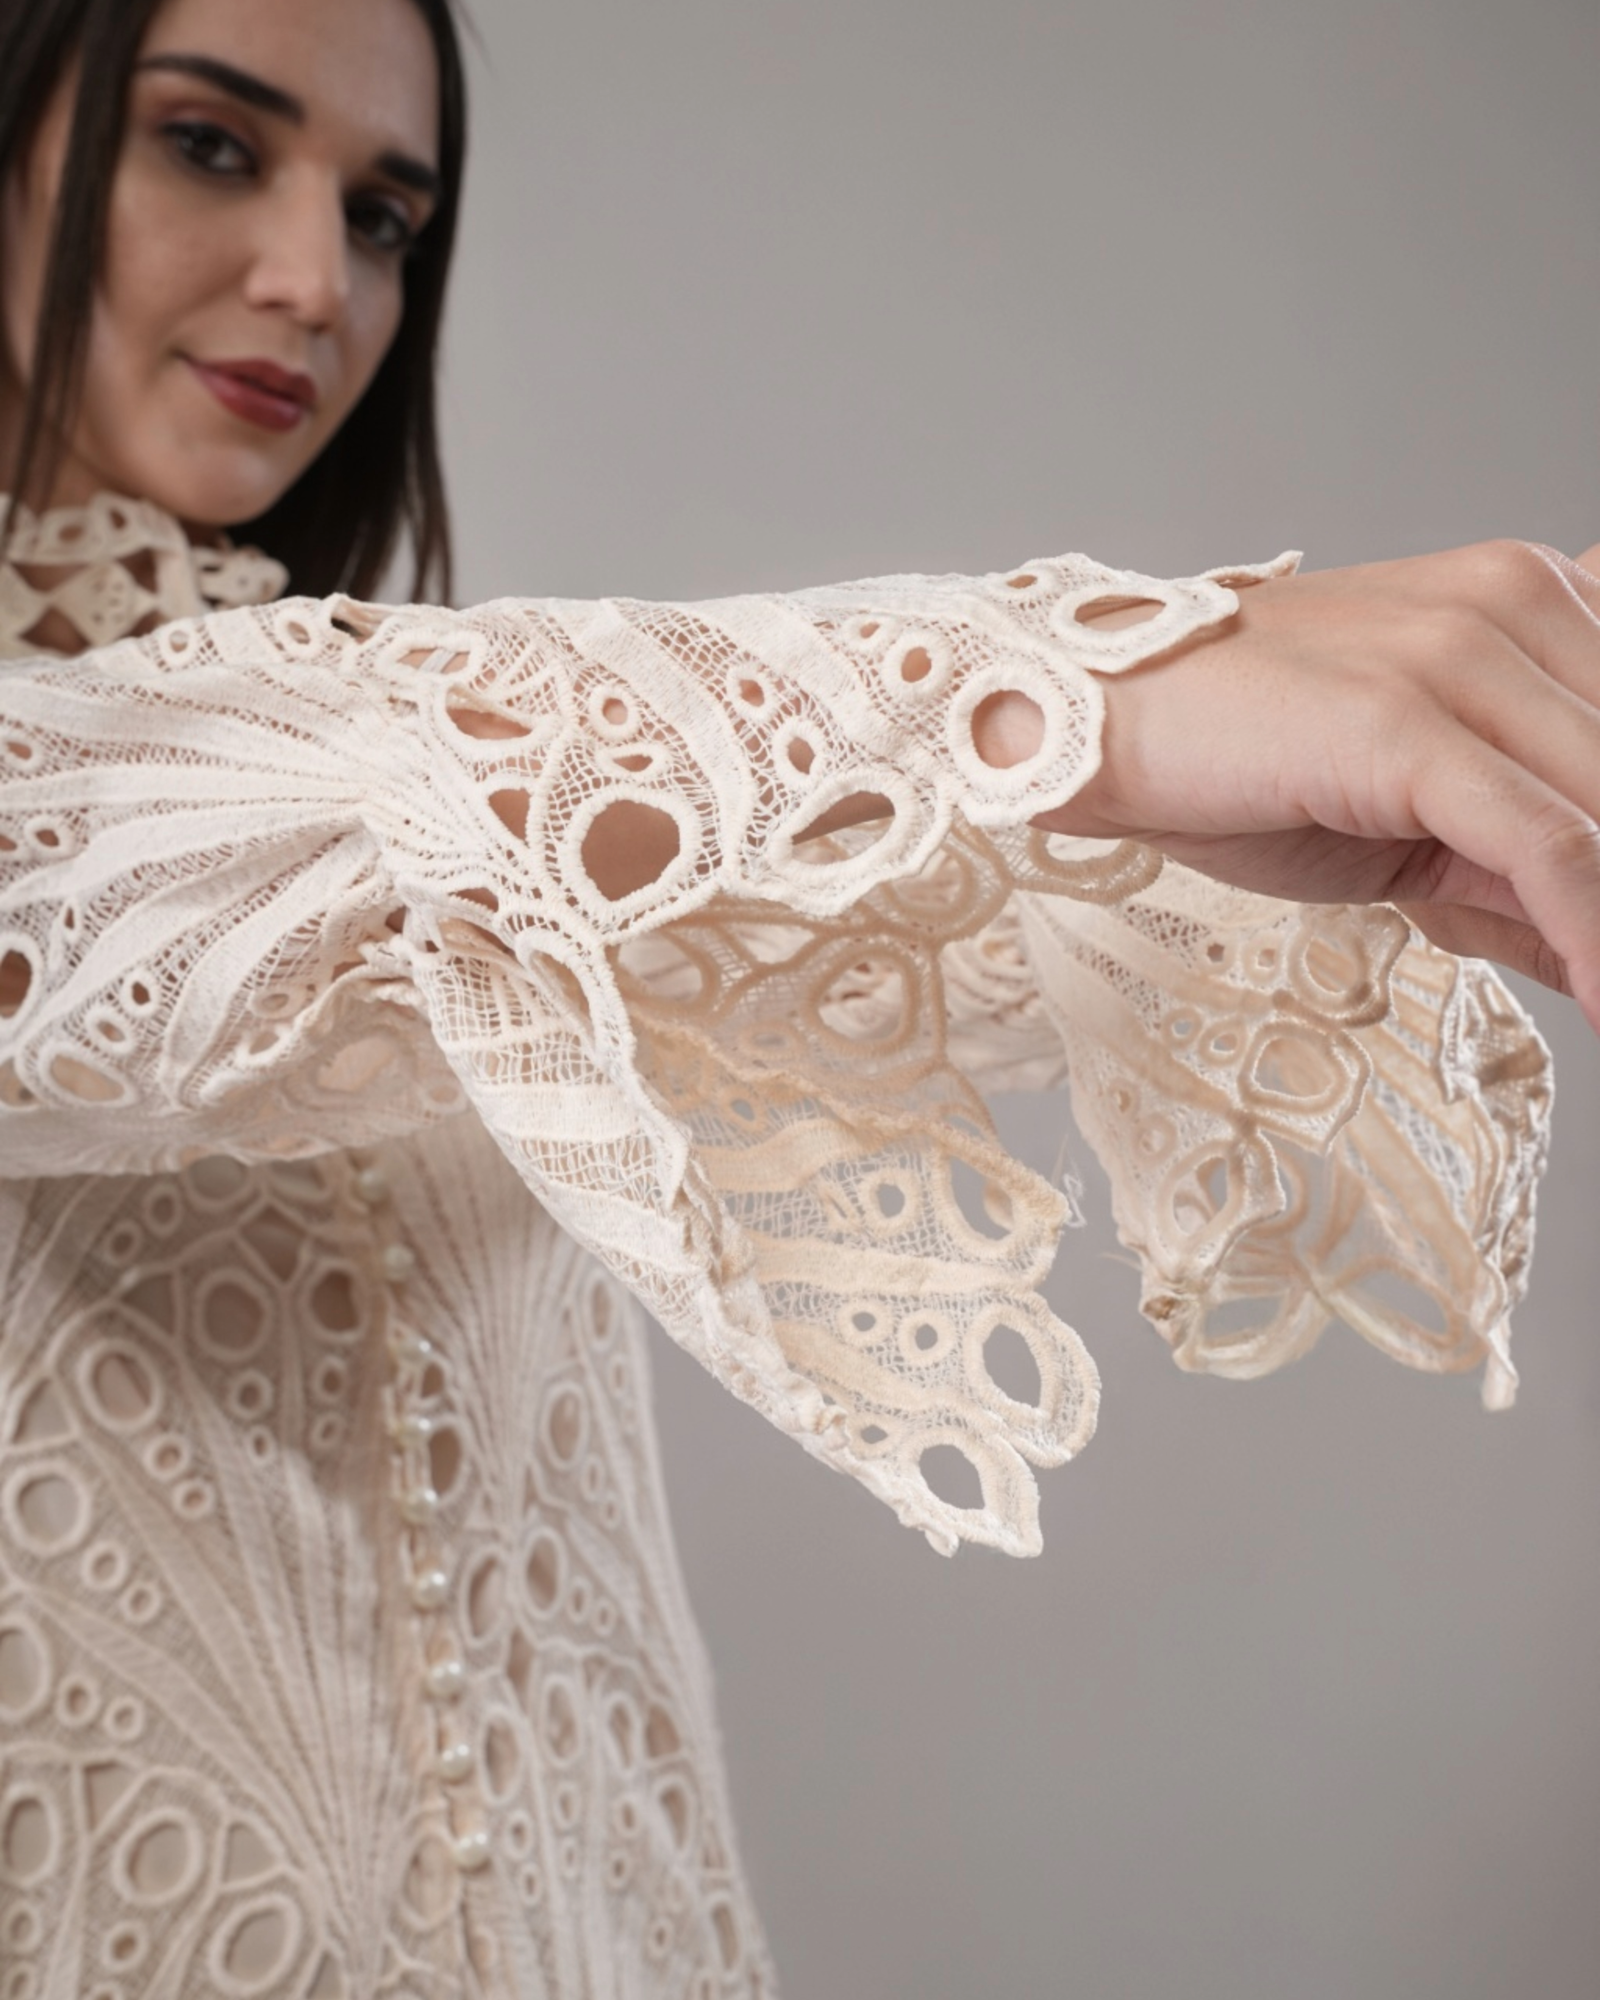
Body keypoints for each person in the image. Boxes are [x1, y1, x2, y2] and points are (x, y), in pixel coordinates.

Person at [0, 0, 1586, 1992]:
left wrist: (1273, 801)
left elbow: (834, 919)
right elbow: (175, 824)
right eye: (213, 146)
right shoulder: (334, 781)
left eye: (386, 216)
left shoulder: (454, 781)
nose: (318, 280)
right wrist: (1097, 682)